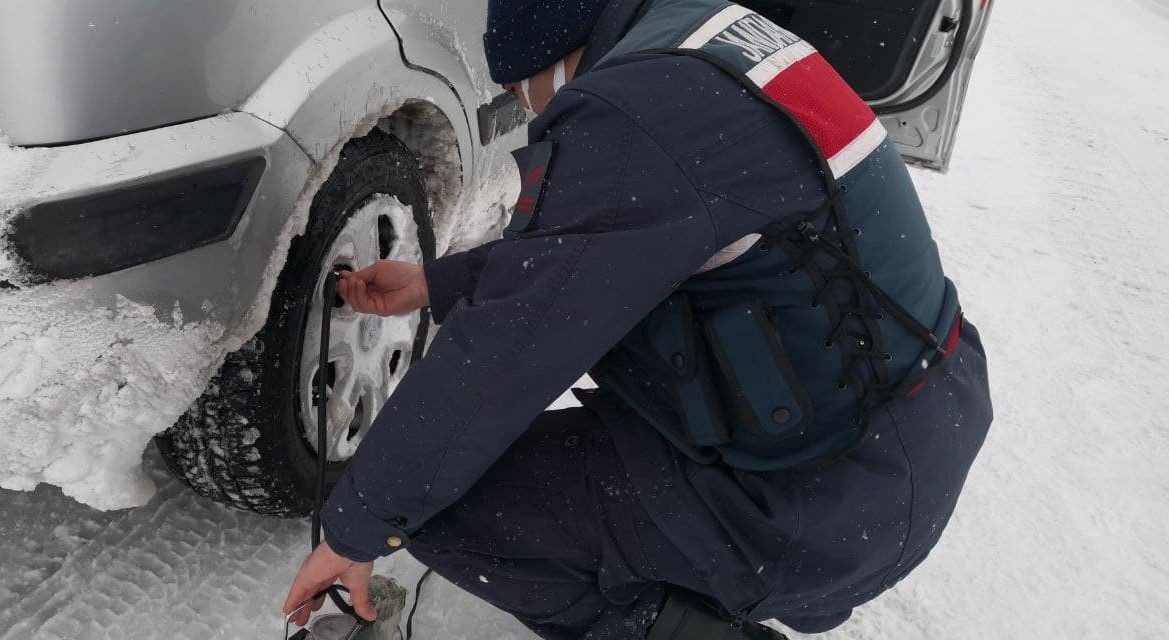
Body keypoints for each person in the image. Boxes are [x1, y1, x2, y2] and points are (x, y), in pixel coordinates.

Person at [283, 0, 993, 638]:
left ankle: (699, 615)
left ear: (556, 55)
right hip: (902, 434)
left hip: (825, 496)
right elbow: (594, 248)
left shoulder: (632, 117)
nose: (524, 109)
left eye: (518, 90)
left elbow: (503, 355)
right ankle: (722, 570)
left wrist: (356, 526)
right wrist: (433, 283)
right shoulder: (702, 40)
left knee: (441, 511)